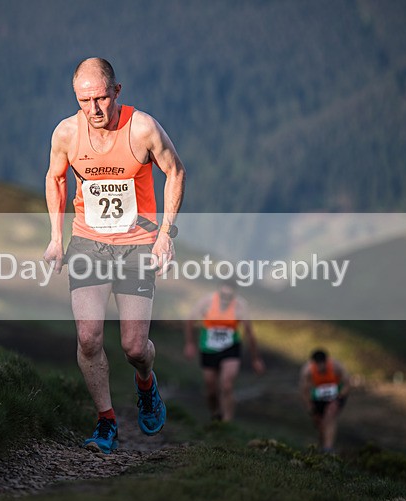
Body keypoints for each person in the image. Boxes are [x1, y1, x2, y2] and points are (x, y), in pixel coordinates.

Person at [43, 58, 186, 454]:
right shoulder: (67, 133)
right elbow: (55, 178)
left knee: (134, 347)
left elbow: (175, 171)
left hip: (137, 244)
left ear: (116, 92)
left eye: (102, 98)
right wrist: (56, 237)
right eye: (85, 100)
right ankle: (106, 423)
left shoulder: (142, 128)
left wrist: (166, 235)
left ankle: (146, 384)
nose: (94, 109)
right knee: (88, 338)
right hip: (88, 242)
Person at [184, 278, 264, 422]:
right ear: (219, 291)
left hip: (230, 348)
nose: (226, 298)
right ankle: (215, 415)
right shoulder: (207, 301)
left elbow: (249, 333)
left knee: (227, 385)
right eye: (223, 295)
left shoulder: (240, 305)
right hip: (208, 347)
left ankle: (227, 422)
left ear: (234, 294)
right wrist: (190, 344)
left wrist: (255, 359)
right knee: (211, 389)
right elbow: (190, 320)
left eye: (229, 296)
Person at [299, 349, 349, 453]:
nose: (320, 368)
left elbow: (347, 383)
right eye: (317, 365)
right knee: (320, 423)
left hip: (335, 396)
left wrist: (338, 398)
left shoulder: (336, 367)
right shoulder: (307, 371)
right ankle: (322, 445)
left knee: (329, 417)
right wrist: (311, 409)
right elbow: (304, 392)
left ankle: (328, 448)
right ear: (314, 363)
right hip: (317, 398)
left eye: (323, 364)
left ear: (327, 361)